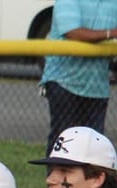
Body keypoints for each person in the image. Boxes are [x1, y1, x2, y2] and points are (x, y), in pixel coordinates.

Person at [39, 0, 117, 155]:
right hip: (64, 80)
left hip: (97, 85)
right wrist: (111, 33)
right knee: (64, 138)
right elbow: (73, 32)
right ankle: (56, 177)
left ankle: (88, 179)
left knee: (93, 144)